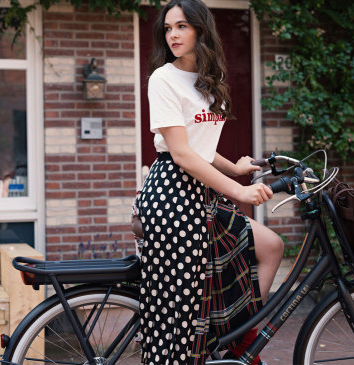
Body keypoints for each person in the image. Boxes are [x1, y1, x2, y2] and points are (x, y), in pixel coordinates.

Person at [135, 0, 284, 363]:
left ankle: (237, 341)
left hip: (201, 192)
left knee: (270, 246)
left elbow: (200, 147)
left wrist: (234, 168)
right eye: (168, 28)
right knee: (186, 307)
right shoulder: (163, 78)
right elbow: (181, 153)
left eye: (182, 26)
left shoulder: (209, 82)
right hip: (172, 193)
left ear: (201, 30)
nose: (173, 34)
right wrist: (238, 190)